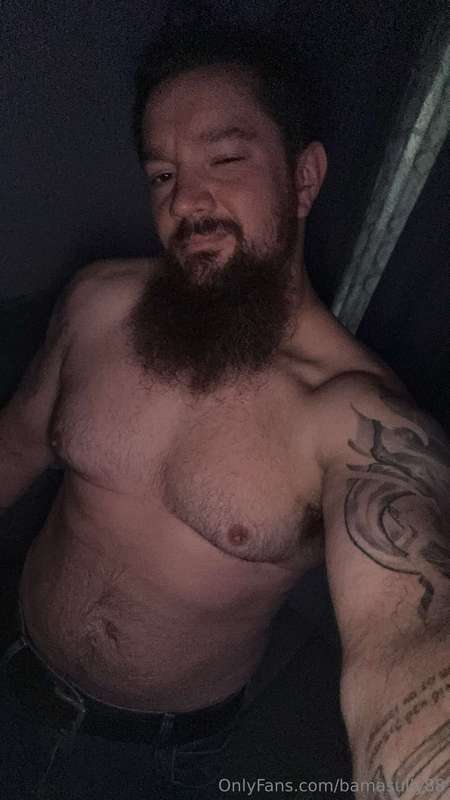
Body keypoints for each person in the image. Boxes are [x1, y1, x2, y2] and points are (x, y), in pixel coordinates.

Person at [0, 22, 449, 800]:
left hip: (159, 757)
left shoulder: (356, 420)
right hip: (13, 664)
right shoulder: (98, 304)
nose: (186, 200)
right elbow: (15, 448)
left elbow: (407, 638)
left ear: (303, 178)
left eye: (226, 159)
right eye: (162, 173)